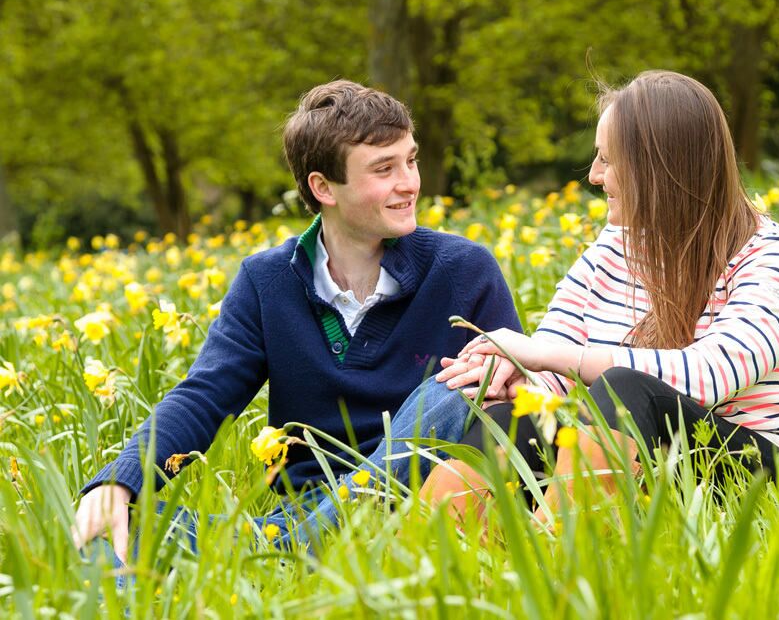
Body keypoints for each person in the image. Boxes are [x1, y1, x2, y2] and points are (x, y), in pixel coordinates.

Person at [73, 80, 521, 561]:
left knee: (454, 391)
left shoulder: (464, 269)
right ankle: (306, 540)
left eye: (410, 160)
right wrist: (119, 481)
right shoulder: (266, 282)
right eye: (384, 168)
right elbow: (204, 397)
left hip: (425, 509)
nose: (409, 182)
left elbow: (515, 409)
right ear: (323, 187)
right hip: (299, 511)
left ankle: (298, 546)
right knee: (102, 522)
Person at [424, 71, 779, 517]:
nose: (594, 176)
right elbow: (552, 360)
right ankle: (430, 546)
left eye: (607, 160)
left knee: (624, 389)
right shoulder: (614, 248)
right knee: (513, 419)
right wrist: (514, 376)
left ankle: (557, 551)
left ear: (661, 169)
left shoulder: (777, 258)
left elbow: (711, 374)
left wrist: (542, 356)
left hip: (765, 489)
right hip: (649, 468)